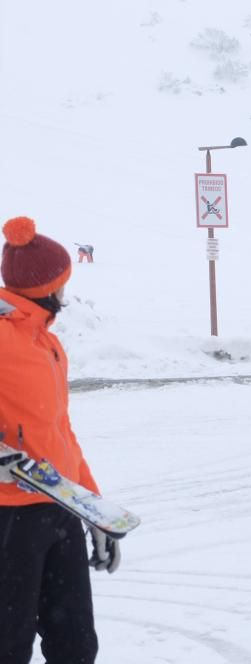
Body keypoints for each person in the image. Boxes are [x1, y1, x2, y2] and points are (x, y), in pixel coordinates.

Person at [0, 216, 118, 664]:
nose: (66, 291)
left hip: (60, 507)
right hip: (10, 518)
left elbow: (60, 433)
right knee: (8, 645)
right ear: (46, 287)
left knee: (76, 645)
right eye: (63, 281)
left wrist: (96, 511)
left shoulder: (46, 344)